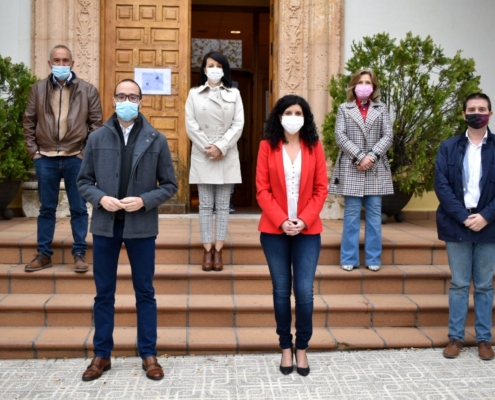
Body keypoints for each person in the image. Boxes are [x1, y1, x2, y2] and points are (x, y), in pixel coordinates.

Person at [77, 79, 178, 380]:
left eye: (132, 96)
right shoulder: (96, 138)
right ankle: (101, 354)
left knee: (144, 291)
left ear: (141, 101)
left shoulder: (156, 139)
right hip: (106, 226)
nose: (126, 100)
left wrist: (145, 200)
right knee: (103, 293)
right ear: (112, 99)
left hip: (141, 227)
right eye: (121, 95)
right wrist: (101, 199)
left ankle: (148, 353)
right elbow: (83, 182)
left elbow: (171, 185)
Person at [256, 95, 328, 376]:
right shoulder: (266, 146)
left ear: (306, 117)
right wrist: (283, 220)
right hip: (274, 230)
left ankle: (302, 348)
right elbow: (262, 190)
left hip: (308, 231)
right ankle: (285, 347)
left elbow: (321, 189)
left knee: (305, 293)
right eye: (289, 112)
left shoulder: (315, 147)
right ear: (279, 116)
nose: (293, 116)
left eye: (299, 112)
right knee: (281, 291)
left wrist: (304, 219)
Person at [23, 44, 102, 273]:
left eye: (65, 60)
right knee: (47, 208)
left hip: (75, 157)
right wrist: (34, 152)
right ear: (50, 64)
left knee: (78, 207)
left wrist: (84, 152)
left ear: (72, 63)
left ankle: (79, 253)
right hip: (45, 157)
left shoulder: (88, 90)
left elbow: (96, 125)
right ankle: (44, 254)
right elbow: (28, 122)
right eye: (56, 61)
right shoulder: (37, 89)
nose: (61, 65)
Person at [434, 92, 495, 361]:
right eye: (471, 108)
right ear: (463, 114)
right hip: (458, 223)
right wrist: (463, 216)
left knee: (483, 285)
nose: (476, 112)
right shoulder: (448, 147)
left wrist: (486, 216)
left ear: (490, 114)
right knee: (459, 283)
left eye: (482, 108)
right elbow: (442, 185)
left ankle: (484, 339)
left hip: (489, 225)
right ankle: (455, 337)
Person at [329, 68, 394, 272]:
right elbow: (340, 135)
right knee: (351, 214)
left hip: (375, 167)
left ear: (373, 87)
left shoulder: (382, 108)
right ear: (354, 85)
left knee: (374, 215)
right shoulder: (344, 108)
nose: (364, 86)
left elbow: (388, 136)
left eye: (368, 83)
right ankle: (349, 257)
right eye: (361, 82)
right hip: (352, 166)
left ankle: (373, 258)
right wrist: (359, 156)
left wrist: (372, 156)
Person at [185, 51, 244, 272]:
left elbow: (238, 124)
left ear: (224, 69)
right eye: (210, 65)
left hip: (226, 154)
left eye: (219, 65)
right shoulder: (194, 94)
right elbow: (191, 124)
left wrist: (221, 146)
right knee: (205, 205)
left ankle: (219, 250)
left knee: (222, 206)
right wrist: (208, 147)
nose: (214, 69)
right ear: (204, 68)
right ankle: (206, 248)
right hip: (203, 154)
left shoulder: (234, 94)